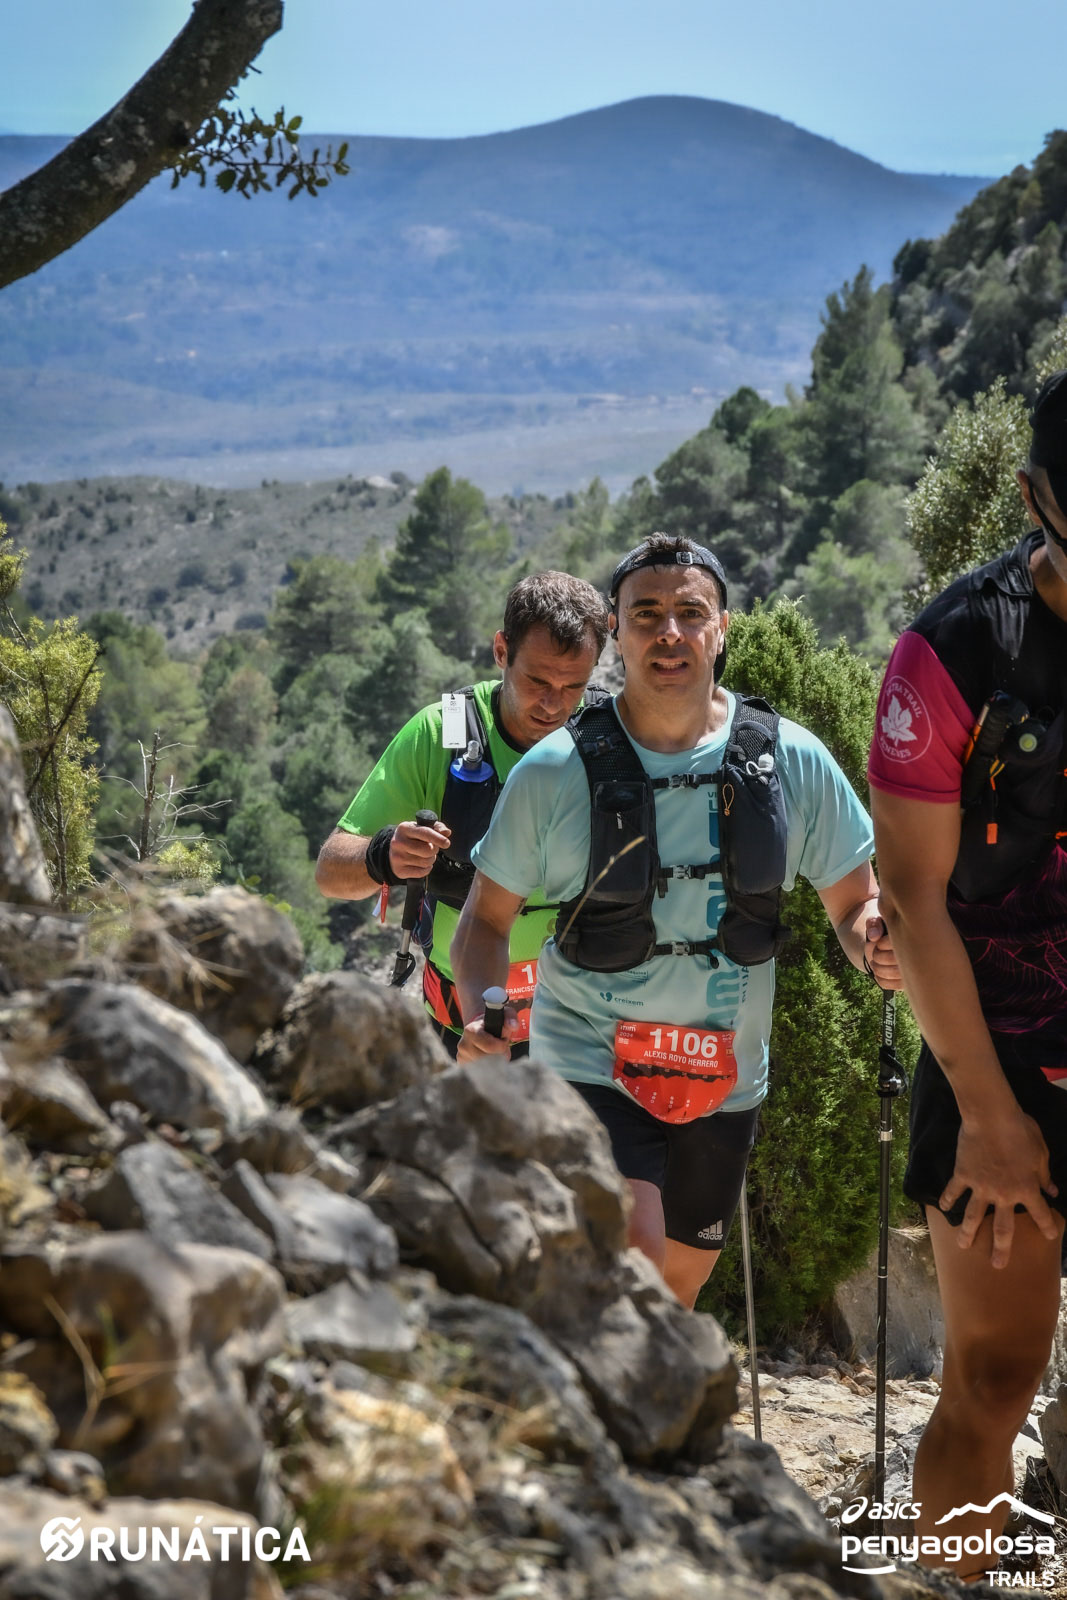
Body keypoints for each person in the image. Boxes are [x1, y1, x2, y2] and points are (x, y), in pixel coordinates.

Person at [452, 531, 899, 1308]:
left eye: (690, 613)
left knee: (676, 1288)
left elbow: (855, 903)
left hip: (725, 1078)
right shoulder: (553, 771)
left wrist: (876, 945)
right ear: (615, 634)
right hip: (587, 1059)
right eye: (645, 614)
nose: (668, 632)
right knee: (630, 1256)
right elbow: (484, 924)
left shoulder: (788, 761)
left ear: (720, 628)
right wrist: (482, 1016)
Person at [869, 371, 1067, 1579]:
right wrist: (989, 1119)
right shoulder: (951, 648)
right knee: (990, 1380)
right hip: (995, 1049)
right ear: (1034, 497)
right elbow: (908, 897)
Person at [315, 570, 608, 1056]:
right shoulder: (442, 734)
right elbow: (330, 872)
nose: (552, 704)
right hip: (462, 1028)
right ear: (501, 651)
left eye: (573, 685)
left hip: (580, 1030)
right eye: (536, 680)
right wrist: (384, 856)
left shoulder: (606, 737)